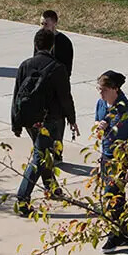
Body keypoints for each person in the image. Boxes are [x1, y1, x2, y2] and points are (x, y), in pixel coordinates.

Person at [12, 29, 78, 217]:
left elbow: (16, 94)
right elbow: (66, 98)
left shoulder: (25, 65)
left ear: (35, 44)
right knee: (40, 157)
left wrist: (16, 123)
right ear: (52, 46)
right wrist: (72, 120)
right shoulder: (58, 68)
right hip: (49, 120)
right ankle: (22, 200)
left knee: (43, 152)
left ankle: (52, 188)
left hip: (28, 120)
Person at [94, 70, 128, 253]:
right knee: (117, 198)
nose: (100, 93)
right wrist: (99, 126)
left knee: (111, 197)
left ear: (114, 89)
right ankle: (127, 232)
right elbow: (98, 126)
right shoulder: (101, 103)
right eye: (98, 89)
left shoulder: (127, 110)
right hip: (106, 157)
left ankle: (116, 235)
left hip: (120, 160)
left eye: (103, 89)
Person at [38, 9, 74, 162]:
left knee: (59, 121)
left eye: (46, 24)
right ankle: (43, 149)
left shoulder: (64, 42)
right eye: (41, 24)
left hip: (59, 86)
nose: (43, 27)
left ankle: (57, 152)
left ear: (55, 23)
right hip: (43, 87)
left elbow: (67, 69)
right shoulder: (39, 38)